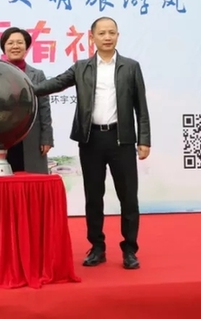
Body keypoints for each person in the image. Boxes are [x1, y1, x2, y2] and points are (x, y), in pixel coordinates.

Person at [31, 17, 150, 270]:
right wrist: (27, 88)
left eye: (111, 32)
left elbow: (141, 107)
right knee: (93, 197)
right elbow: (55, 83)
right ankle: (97, 247)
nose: (107, 37)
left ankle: (130, 250)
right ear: (92, 37)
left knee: (128, 198)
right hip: (91, 140)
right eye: (102, 33)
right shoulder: (81, 67)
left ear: (118, 35)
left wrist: (144, 140)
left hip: (122, 140)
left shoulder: (130, 67)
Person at [0, 27, 54, 173]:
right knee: (5, 180)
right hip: (3, 136)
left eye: (20, 42)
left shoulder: (37, 75)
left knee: (32, 179)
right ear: (4, 47)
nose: (15, 46)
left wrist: (47, 138)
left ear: (26, 47)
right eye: (10, 43)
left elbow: (44, 108)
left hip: (31, 138)